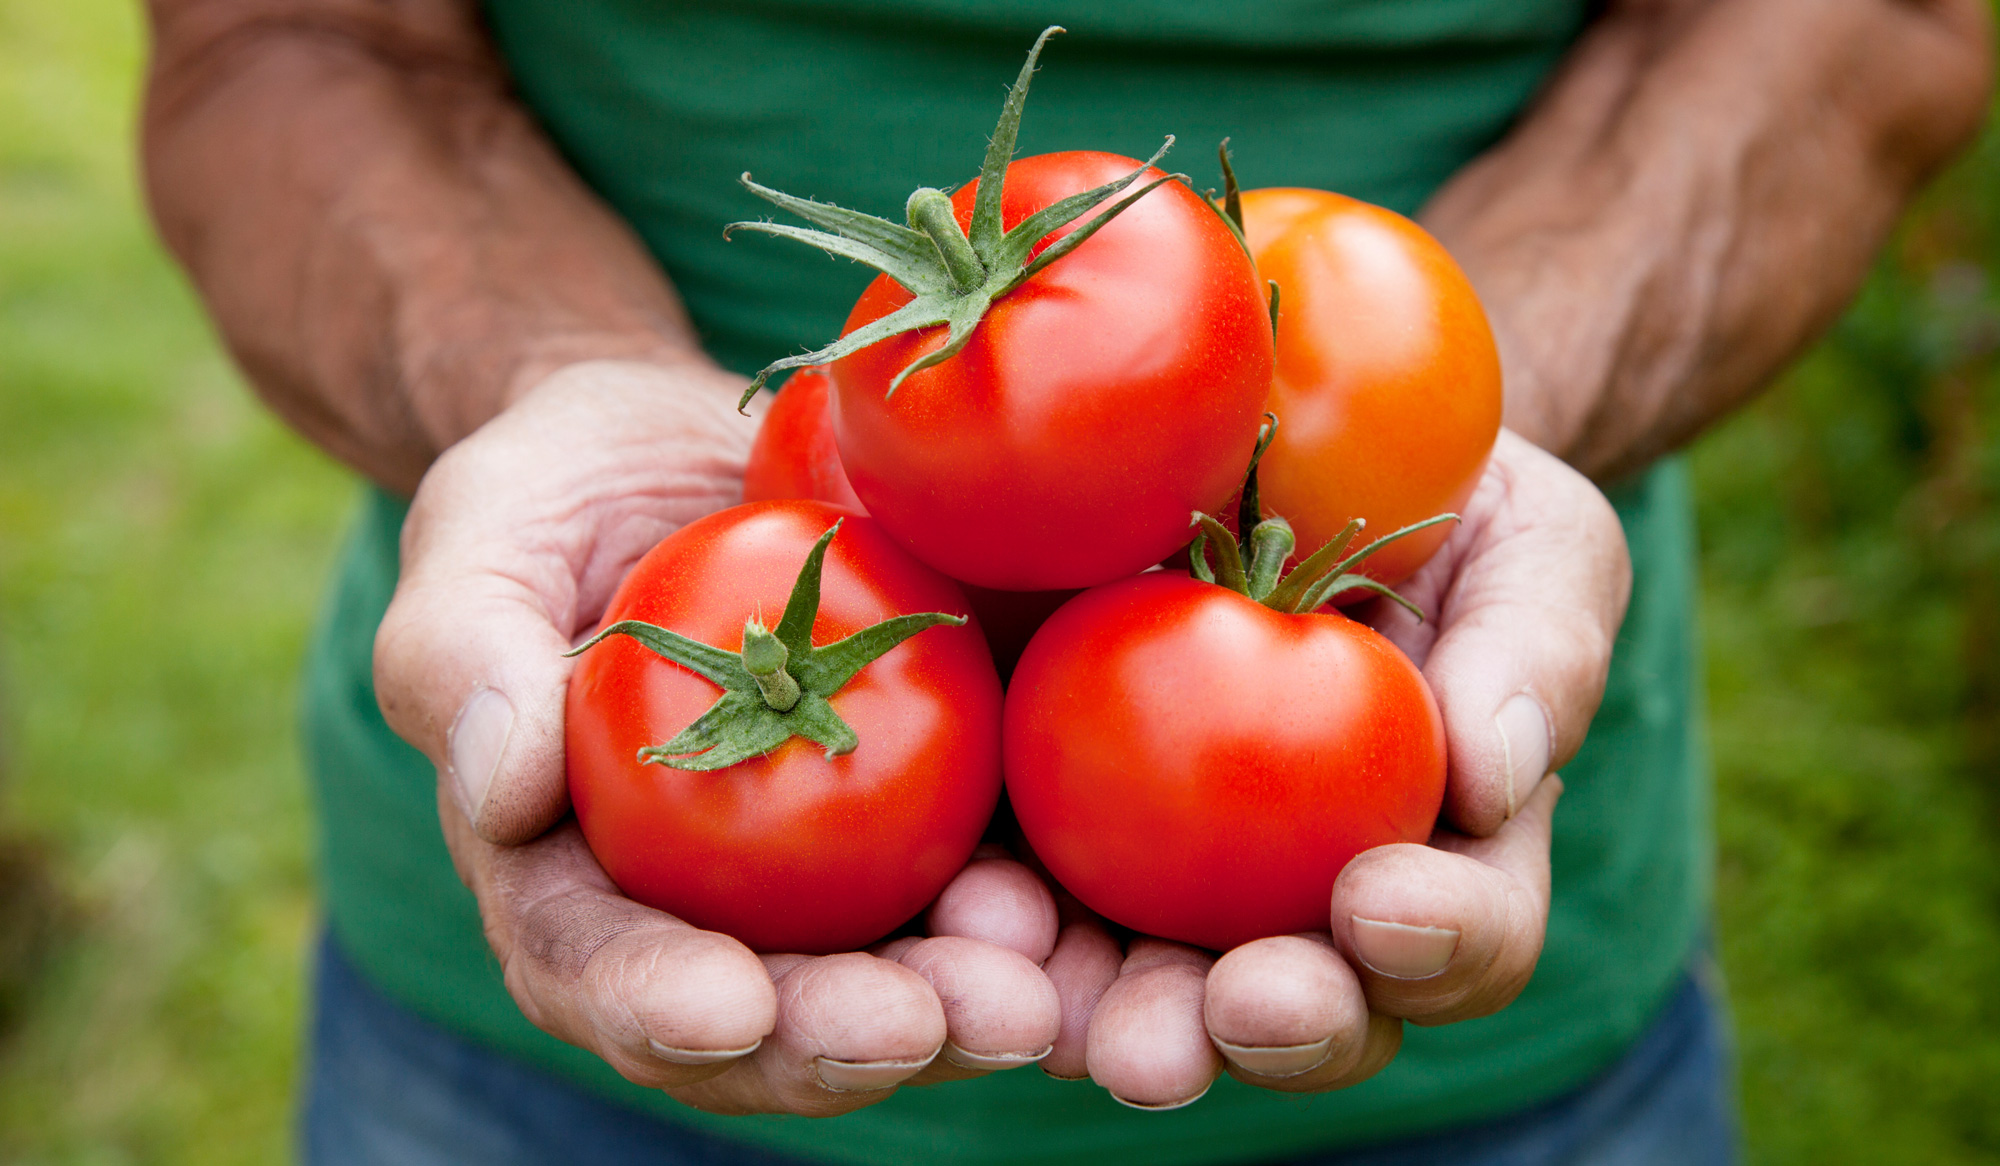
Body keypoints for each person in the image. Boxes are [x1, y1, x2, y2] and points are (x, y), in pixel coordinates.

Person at [140, 0, 1990, 1162]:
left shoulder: (1013, 400)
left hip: (1502, 1055)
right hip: (517, 1036)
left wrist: (1465, 431)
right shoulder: (850, 470)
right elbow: (276, 41)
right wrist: (542, 386)